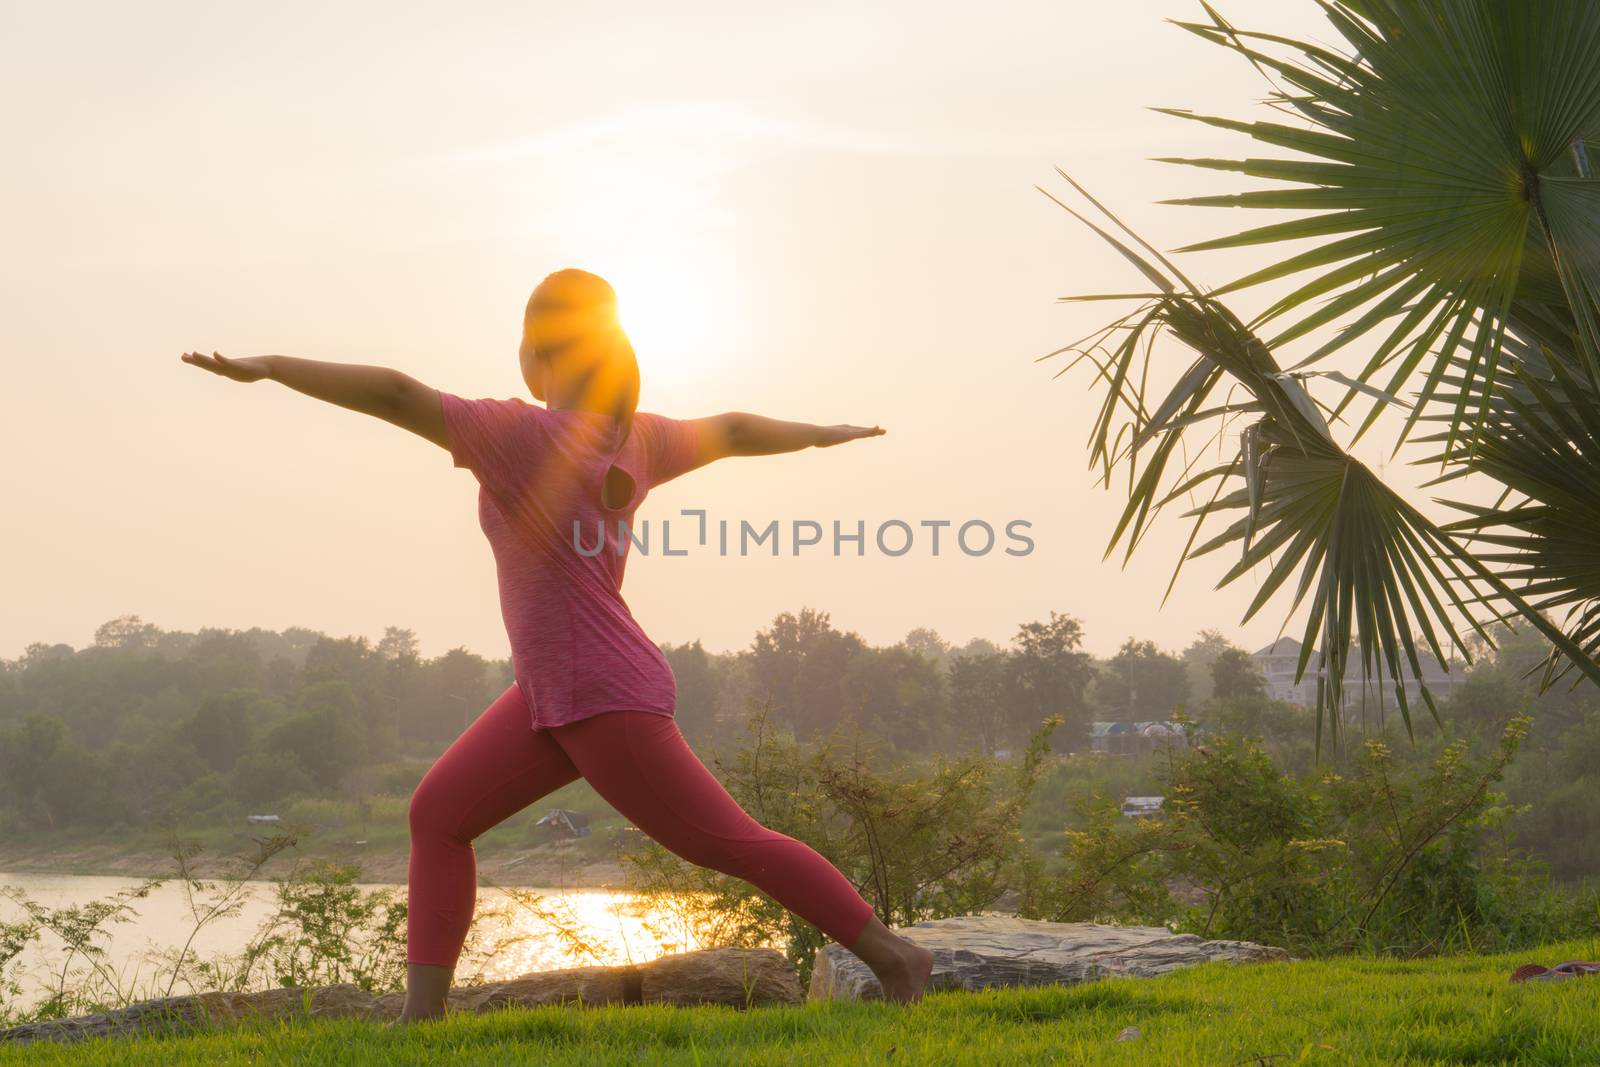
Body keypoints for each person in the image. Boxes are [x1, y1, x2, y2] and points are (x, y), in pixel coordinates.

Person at [180, 267, 935, 1020]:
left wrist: (273, 367)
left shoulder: (519, 436)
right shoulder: (635, 437)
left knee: (730, 842)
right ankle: (420, 1022)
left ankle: (896, 957)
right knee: (437, 815)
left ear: (539, 354)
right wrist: (817, 437)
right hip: (555, 693)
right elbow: (733, 429)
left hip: (602, 696)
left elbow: (395, 394)